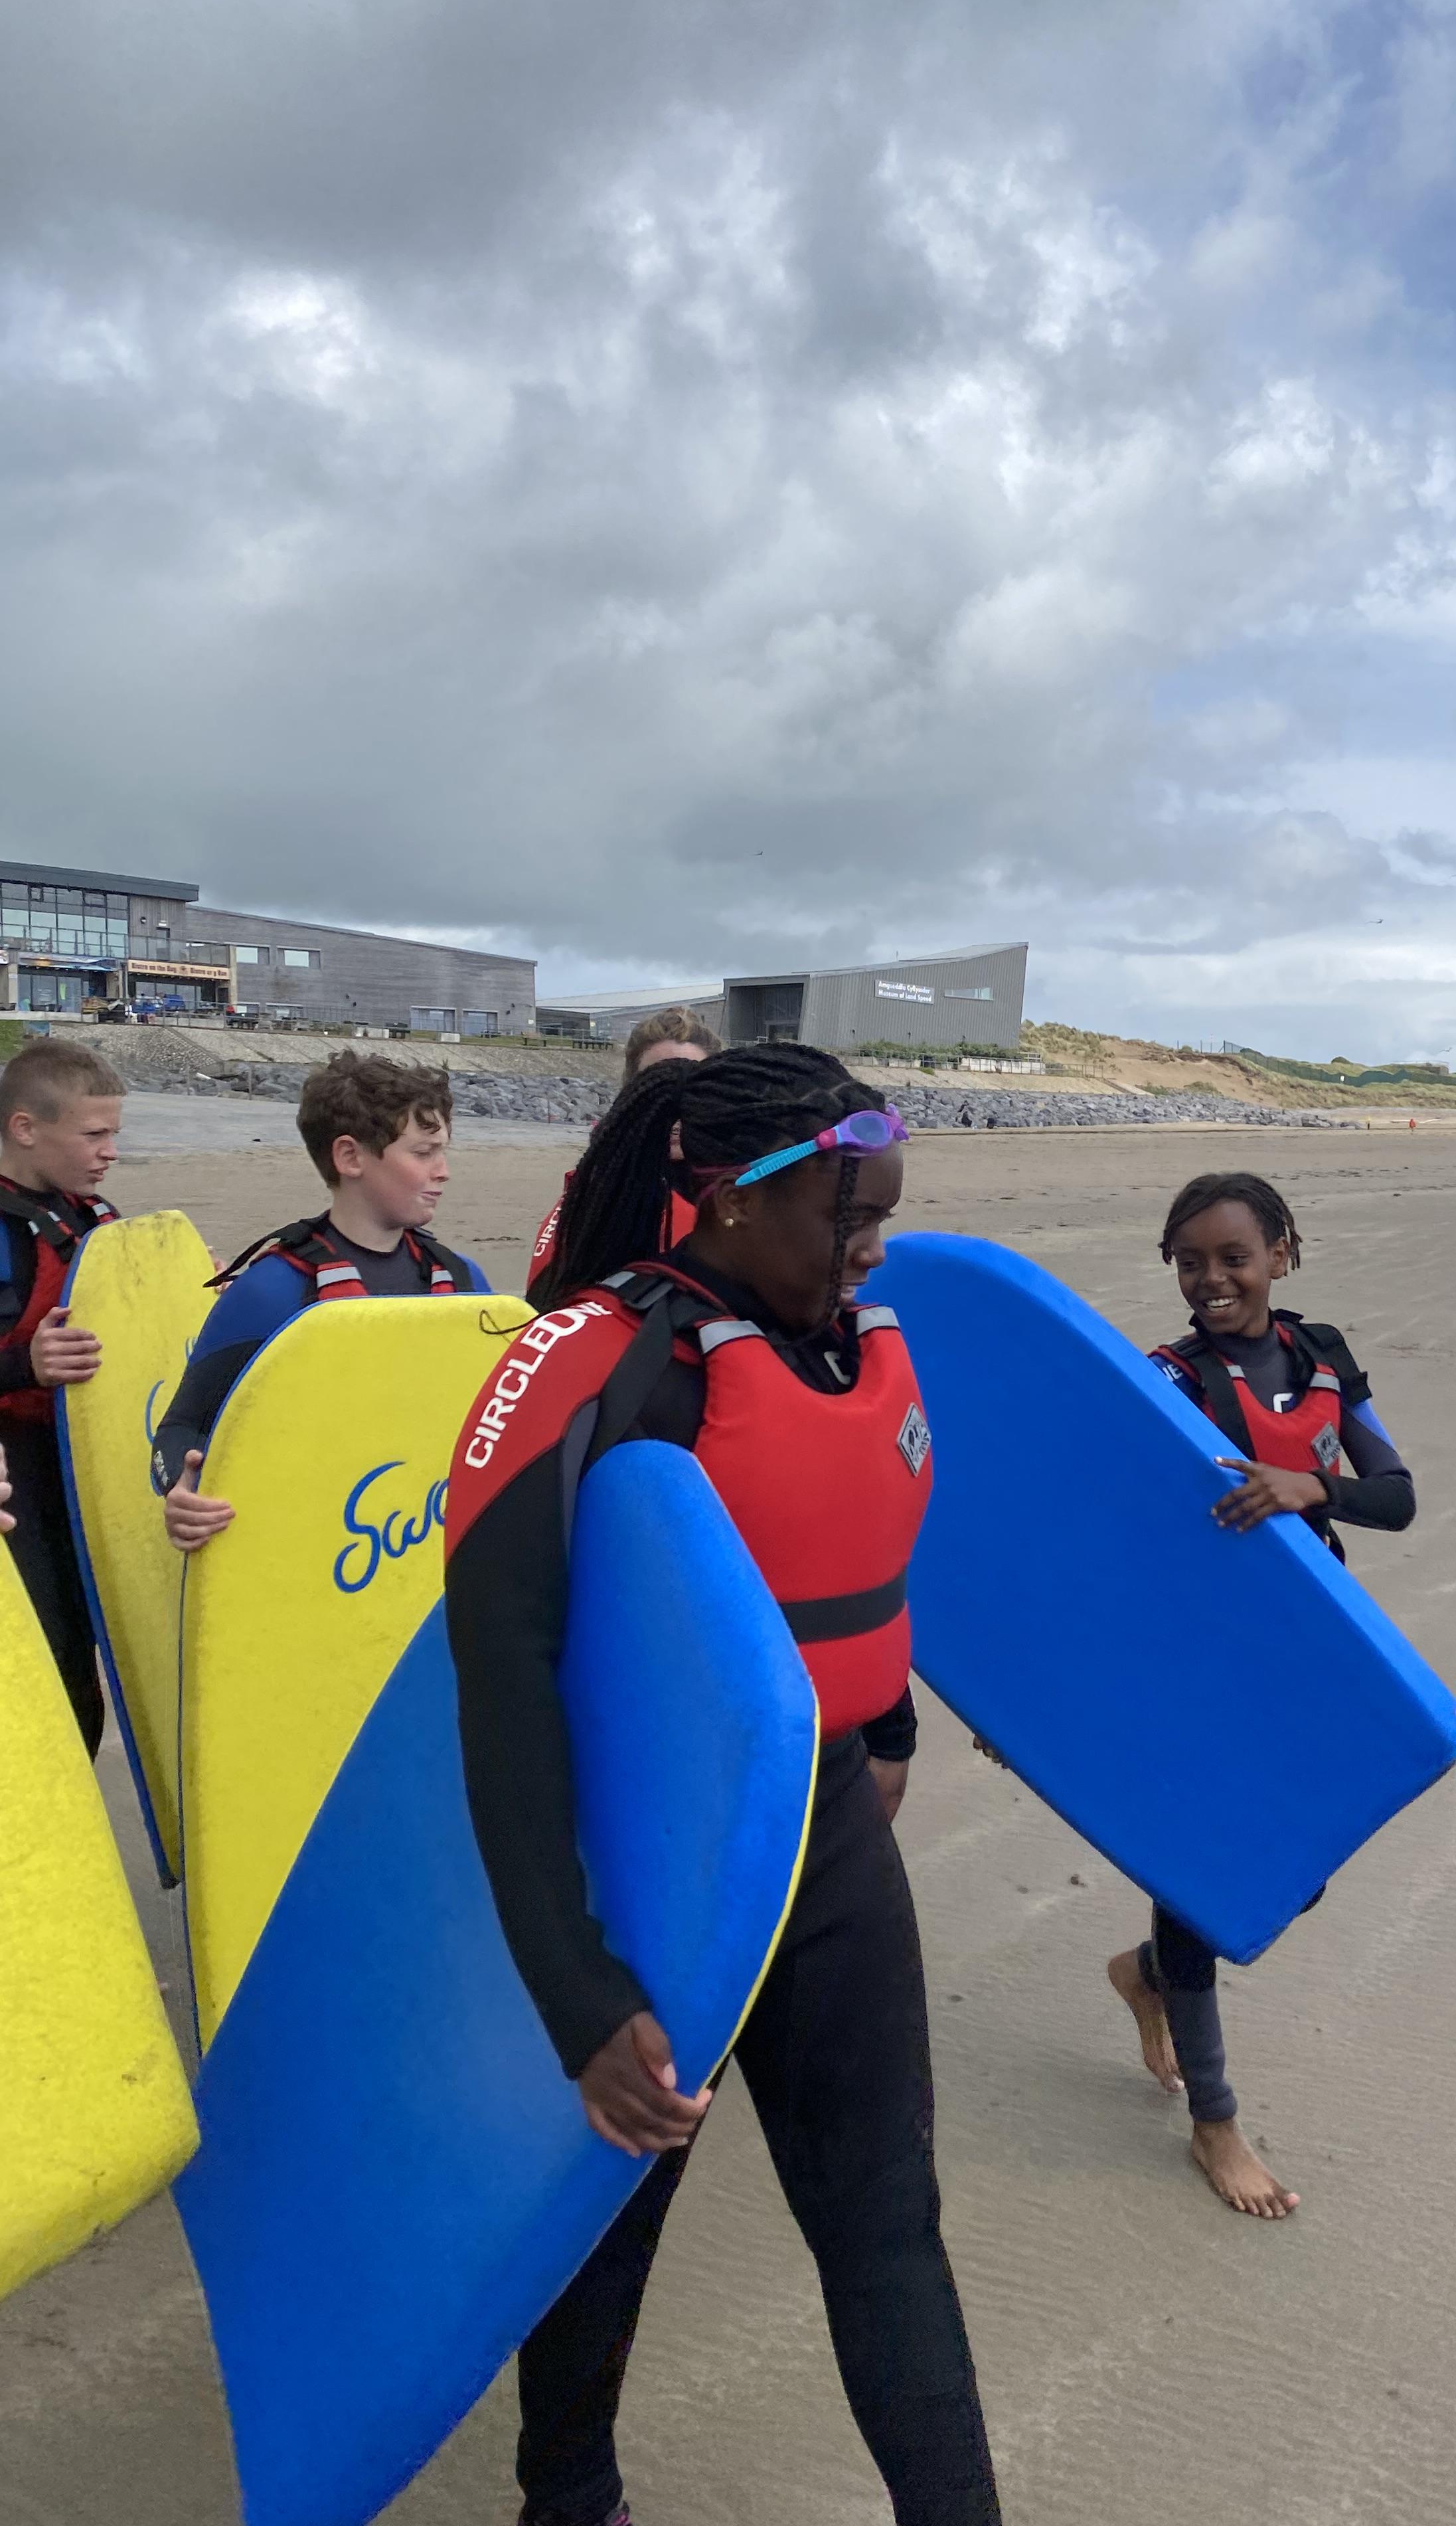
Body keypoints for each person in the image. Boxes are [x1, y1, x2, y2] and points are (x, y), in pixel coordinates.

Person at [444, 1043, 999, 2526]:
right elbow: (500, 1687)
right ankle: (568, 2498)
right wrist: (576, 1992)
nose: (871, 1250)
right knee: (609, 2217)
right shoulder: (589, 1360)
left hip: (824, 1836)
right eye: (849, 1217)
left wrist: (890, 1731)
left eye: (885, 1217)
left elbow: (853, 1567)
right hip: (648, 1865)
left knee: (887, 2223)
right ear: (732, 1198)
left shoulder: (844, 1346)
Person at [1107, 1170, 1416, 2222]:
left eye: (1234, 1257)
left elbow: (1396, 1497)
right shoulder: (1167, 1379)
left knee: (1299, 1869)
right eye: (1189, 1262)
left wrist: (1309, 1487)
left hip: (1305, 1645)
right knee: (1204, 1874)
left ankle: (1148, 1974)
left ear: (1281, 1254)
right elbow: (1119, 1536)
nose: (1212, 1279)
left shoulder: (1321, 1354)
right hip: (1196, 1656)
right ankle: (1216, 2122)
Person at [155, 1051, 487, 1551]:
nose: (444, 1171)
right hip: (315, 1549)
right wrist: (180, 1491)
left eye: (443, 1151)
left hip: (424, 1540)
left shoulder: (464, 1281)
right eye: (423, 1153)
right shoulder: (273, 1291)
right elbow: (180, 1428)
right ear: (350, 1157)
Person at [0, 1037, 124, 1748]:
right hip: (14, 1476)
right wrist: (25, 1365)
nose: (110, 1152)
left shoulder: (95, 1218)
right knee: (48, 1662)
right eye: (94, 1135)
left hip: (86, 1466)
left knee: (88, 1664)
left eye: (114, 1134)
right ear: (25, 1128)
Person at [525, 1007, 722, 1310]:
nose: (674, 1107)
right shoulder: (596, 1199)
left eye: (693, 1086)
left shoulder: (740, 1187)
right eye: (657, 1084)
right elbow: (546, 1307)